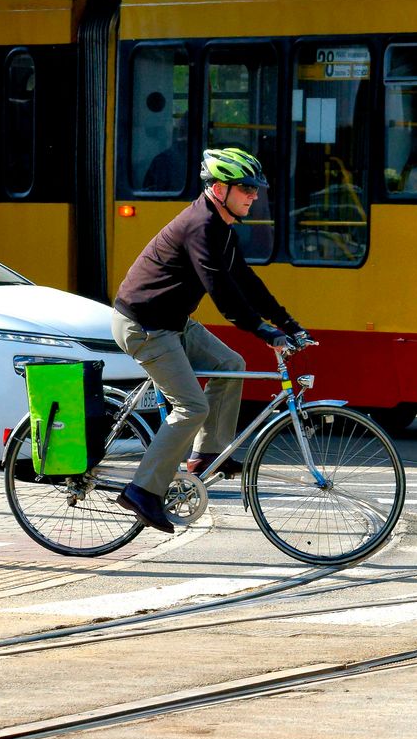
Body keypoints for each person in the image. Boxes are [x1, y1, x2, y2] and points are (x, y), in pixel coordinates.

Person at [111, 146, 309, 533]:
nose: (254, 195)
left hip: (172, 323)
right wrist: (261, 330)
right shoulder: (199, 227)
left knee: (231, 365)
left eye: (256, 189)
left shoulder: (220, 227)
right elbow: (222, 291)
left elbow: (246, 281)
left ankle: (206, 455)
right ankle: (142, 491)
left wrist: (287, 321)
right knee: (191, 406)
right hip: (144, 326)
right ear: (219, 188)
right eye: (246, 188)